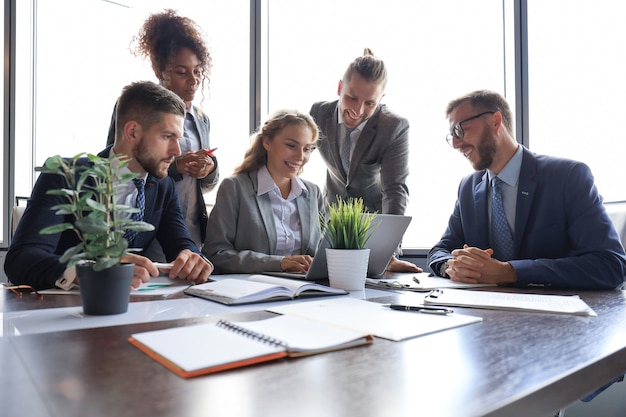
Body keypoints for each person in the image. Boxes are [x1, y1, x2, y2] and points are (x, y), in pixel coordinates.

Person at [5, 81, 213, 290]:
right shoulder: (65, 175)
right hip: (61, 310)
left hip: (130, 308)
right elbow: (21, 260)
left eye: (178, 138)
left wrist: (191, 258)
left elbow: (180, 243)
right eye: (167, 136)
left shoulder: (163, 186)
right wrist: (87, 272)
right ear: (132, 132)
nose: (177, 151)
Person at [428, 89, 626, 290]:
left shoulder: (568, 177)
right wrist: (452, 266)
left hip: (557, 316)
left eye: (460, 130)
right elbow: (441, 249)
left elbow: (611, 265)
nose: (454, 143)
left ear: (495, 121)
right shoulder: (468, 187)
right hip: (486, 313)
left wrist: (510, 271)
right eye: (451, 135)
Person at [106, 9, 218, 259]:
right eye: (181, 72)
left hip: (187, 224)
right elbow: (119, 163)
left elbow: (208, 184)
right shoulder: (138, 107)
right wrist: (176, 167)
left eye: (198, 71)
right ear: (159, 70)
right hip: (146, 223)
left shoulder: (201, 118)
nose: (193, 80)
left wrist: (209, 167)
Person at [310, 48, 419, 273]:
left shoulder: (394, 127)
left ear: (381, 99)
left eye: (370, 103)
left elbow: (395, 190)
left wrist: (388, 249)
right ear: (340, 88)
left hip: (373, 232)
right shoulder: (319, 113)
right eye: (352, 98)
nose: (358, 110)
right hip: (331, 227)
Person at [202, 110, 324, 274]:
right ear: (267, 142)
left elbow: (325, 251)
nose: (300, 156)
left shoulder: (313, 193)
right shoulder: (235, 188)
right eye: (291, 145)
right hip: (252, 289)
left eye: (307, 149)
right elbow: (216, 254)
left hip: (306, 290)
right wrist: (279, 263)